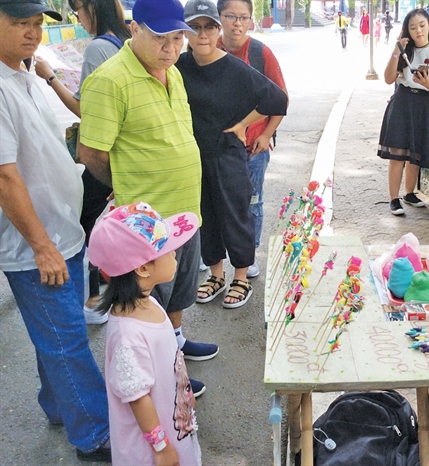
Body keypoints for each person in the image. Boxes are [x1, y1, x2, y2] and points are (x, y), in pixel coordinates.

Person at [77, 0, 218, 395]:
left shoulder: (172, 72)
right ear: (134, 29)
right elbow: (90, 154)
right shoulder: (110, 79)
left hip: (184, 211)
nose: (171, 48)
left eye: (178, 37)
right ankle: (155, 378)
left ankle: (175, 347)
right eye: (160, 37)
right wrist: (128, 193)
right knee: (143, 304)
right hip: (145, 226)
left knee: (179, 289)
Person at [0, 0, 110, 461]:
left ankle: (60, 406)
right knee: (66, 339)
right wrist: (42, 247)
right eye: (18, 23)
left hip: (61, 235)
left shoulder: (22, 75)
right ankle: (96, 432)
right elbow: (4, 175)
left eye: (35, 23)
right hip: (37, 247)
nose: (31, 32)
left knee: (55, 334)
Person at [176, 0, 287, 307]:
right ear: (184, 33)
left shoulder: (235, 68)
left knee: (236, 215)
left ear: (217, 29)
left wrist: (244, 124)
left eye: (209, 27)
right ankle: (215, 274)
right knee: (206, 217)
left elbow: (277, 100)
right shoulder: (179, 67)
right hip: (194, 159)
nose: (202, 35)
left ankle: (240, 277)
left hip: (228, 156)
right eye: (194, 28)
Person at [33, 0, 131, 325]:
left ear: (93, 8)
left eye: (78, 9)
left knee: (81, 227)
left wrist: (49, 77)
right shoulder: (126, 40)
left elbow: (84, 111)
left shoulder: (97, 49)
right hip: (128, 154)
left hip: (104, 155)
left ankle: (93, 298)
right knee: (116, 224)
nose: (77, 16)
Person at [88, 202, 202, 465]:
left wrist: (184, 392)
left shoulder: (148, 302)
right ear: (142, 268)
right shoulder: (128, 335)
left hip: (173, 417)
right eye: (168, 249)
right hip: (152, 445)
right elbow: (137, 398)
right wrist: (161, 447)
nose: (176, 253)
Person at [216, 0, 288, 279]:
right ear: (219, 18)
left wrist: (266, 134)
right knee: (216, 201)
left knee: (251, 202)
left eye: (243, 17)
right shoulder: (207, 48)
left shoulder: (260, 53)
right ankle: (217, 256)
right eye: (231, 16)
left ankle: (249, 253)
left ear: (250, 21)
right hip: (217, 146)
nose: (237, 23)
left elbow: (281, 99)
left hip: (253, 146)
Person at [378, 8, 429, 216]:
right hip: (402, 101)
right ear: (407, 31)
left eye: (421, 25)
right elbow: (388, 78)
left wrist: (427, 82)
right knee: (397, 154)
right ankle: (394, 198)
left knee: (416, 152)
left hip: (423, 103)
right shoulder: (404, 50)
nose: (418, 30)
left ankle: (409, 193)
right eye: (412, 27)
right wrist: (397, 50)